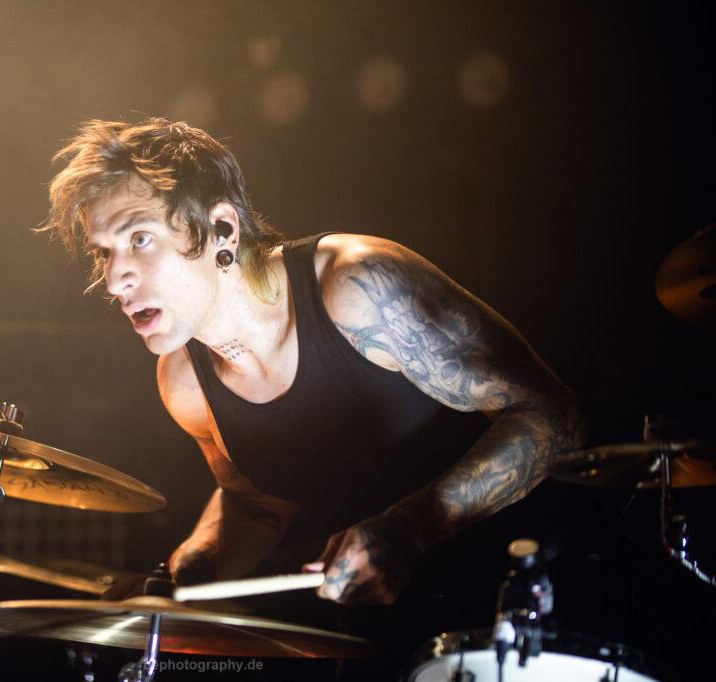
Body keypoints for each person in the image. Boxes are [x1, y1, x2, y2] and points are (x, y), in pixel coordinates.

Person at [41, 117, 584, 610]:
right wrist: (172, 581)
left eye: (139, 238)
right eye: (104, 252)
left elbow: (553, 418)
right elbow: (256, 504)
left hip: (538, 594)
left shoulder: (355, 286)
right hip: (390, 629)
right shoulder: (184, 384)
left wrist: (407, 529)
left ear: (222, 229)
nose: (115, 279)